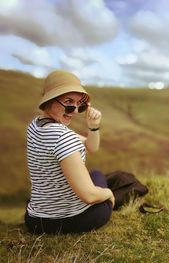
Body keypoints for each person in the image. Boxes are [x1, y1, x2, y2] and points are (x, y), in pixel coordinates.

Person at [24, 70, 115, 234]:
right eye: (68, 102)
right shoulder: (63, 138)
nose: (73, 111)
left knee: (96, 175)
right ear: (50, 100)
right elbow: (88, 196)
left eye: (79, 105)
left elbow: (91, 146)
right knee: (100, 183)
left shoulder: (35, 125)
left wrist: (93, 126)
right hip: (67, 220)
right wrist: (108, 194)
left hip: (34, 219)